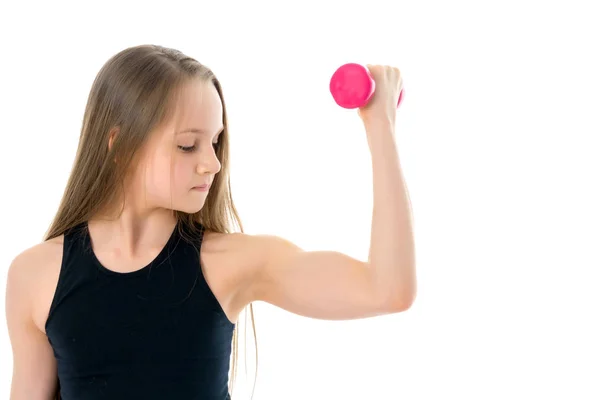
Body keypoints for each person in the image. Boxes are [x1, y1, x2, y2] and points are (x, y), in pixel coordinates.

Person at [5, 44, 416, 400]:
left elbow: (386, 290)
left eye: (215, 141)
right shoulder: (36, 274)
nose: (213, 163)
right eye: (188, 145)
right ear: (120, 144)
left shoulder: (231, 263)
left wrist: (380, 125)